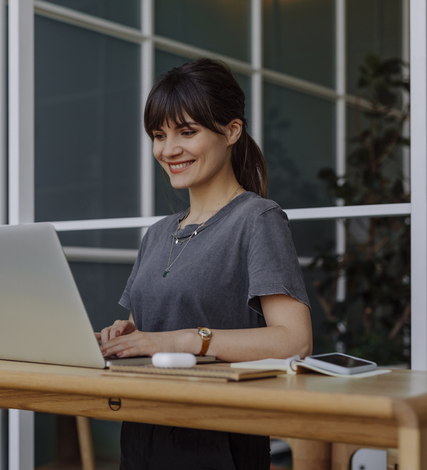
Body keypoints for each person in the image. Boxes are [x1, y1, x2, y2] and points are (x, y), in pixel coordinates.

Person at [98, 58, 313, 469]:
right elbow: (151, 334)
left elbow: (294, 341)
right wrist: (126, 333)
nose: (168, 149)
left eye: (187, 131)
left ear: (231, 130)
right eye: (158, 135)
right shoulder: (158, 233)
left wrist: (181, 340)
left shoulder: (257, 219)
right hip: (142, 434)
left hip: (216, 443)